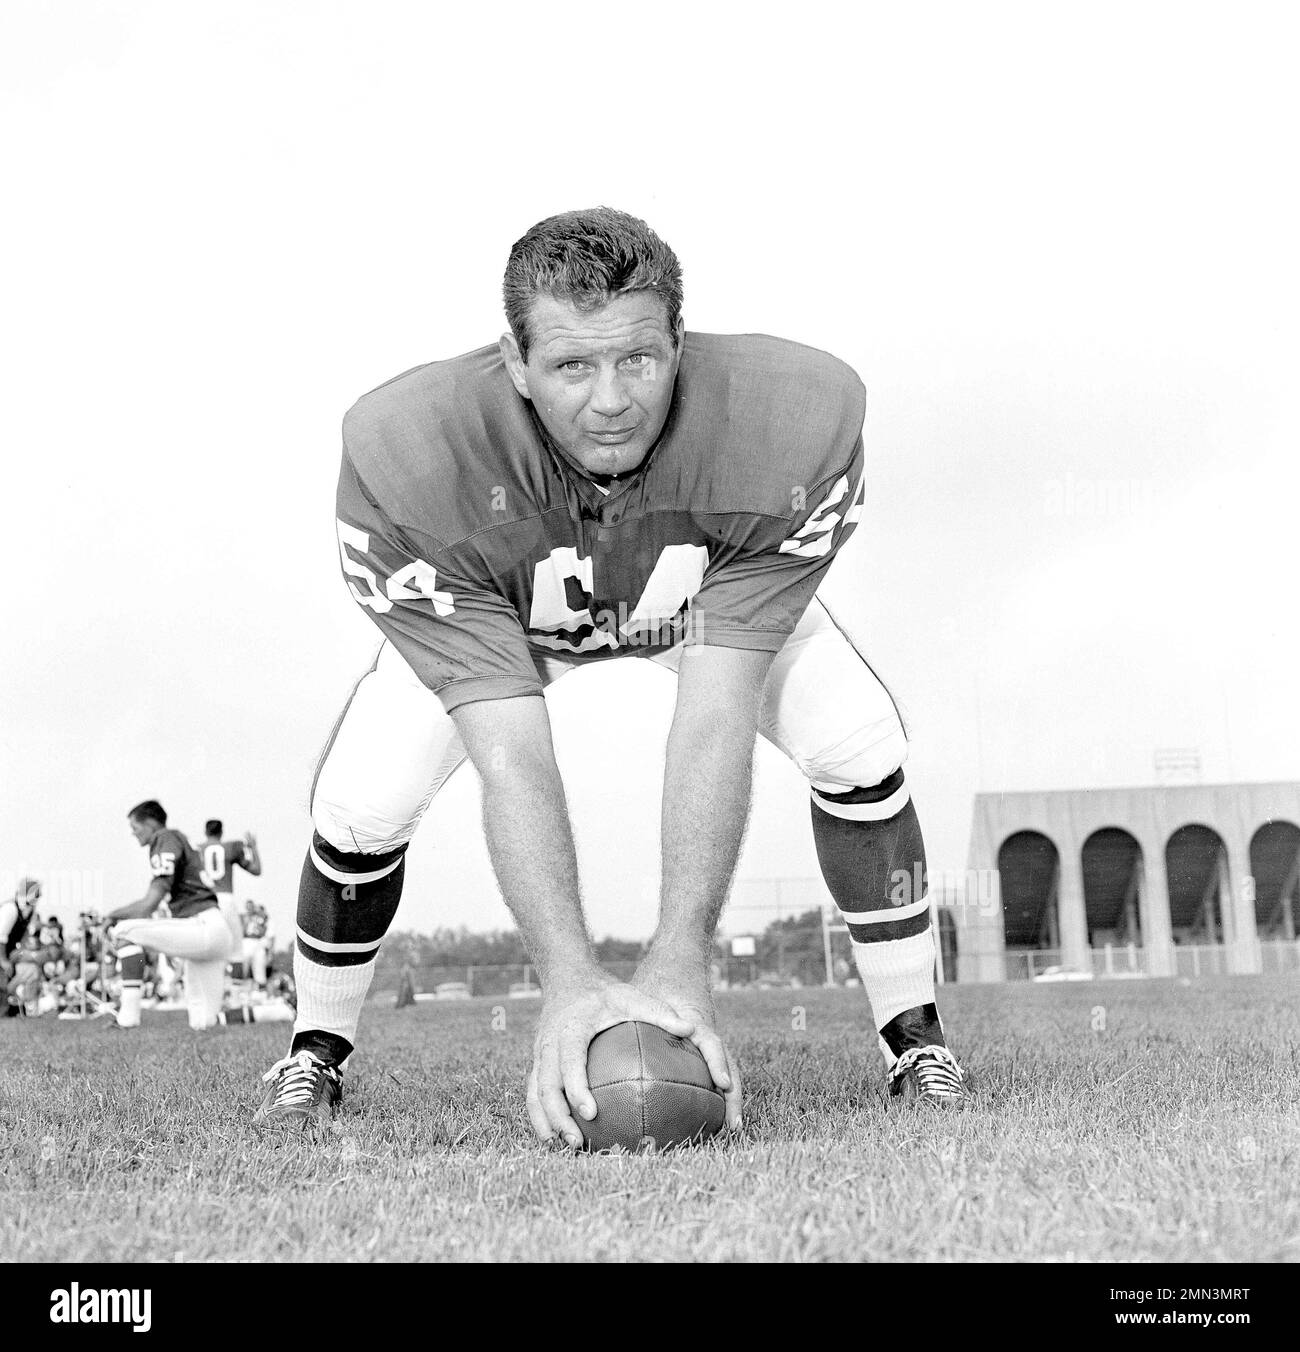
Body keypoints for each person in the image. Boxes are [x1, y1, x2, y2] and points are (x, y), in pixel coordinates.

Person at [255, 207, 969, 1135]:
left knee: (856, 738)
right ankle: (314, 1050)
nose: (610, 400)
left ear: (680, 340)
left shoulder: (787, 424)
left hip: (695, 590)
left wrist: (678, 959)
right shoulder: (415, 454)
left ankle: (916, 1038)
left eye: (637, 358)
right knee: (362, 803)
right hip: (507, 610)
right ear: (513, 363)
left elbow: (715, 714)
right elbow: (511, 754)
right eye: (570, 366)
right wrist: (568, 982)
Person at [105, 801, 244, 1030]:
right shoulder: (178, 838)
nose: (133, 833)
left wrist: (110, 916)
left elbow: (148, 905)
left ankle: (127, 1018)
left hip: (202, 925)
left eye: (135, 827)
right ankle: (273, 1012)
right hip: (214, 931)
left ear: (150, 823)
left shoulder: (165, 838)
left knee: (124, 931)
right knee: (203, 1022)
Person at [1, 878, 42, 1016]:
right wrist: (3, 960)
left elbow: (23, 937)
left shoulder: (30, 912)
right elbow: (1, 937)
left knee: (31, 970)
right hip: (2, 950)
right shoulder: (10, 909)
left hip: (9, 950)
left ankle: (20, 1008)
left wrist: (21, 953)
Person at [198, 820, 261, 898]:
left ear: (205, 832)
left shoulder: (197, 850)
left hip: (204, 898)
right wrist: (253, 848)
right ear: (221, 832)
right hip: (225, 896)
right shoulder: (231, 847)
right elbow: (256, 870)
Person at [238, 898, 273, 993]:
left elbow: (266, 930)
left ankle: (260, 989)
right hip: (246, 941)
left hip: (258, 941)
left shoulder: (260, 917)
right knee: (244, 964)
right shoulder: (242, 917)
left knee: (259, 965)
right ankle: (242, 988)